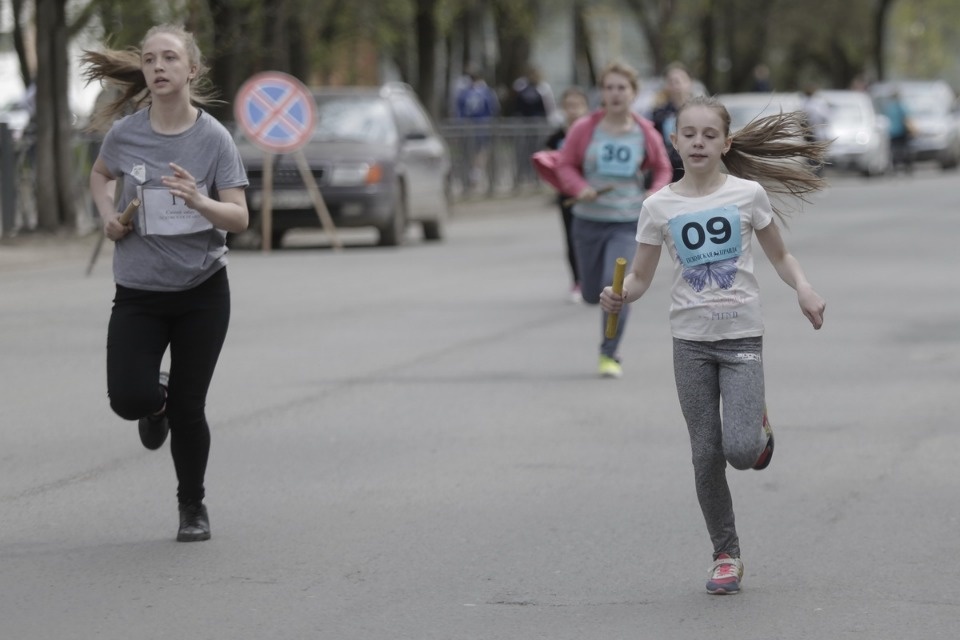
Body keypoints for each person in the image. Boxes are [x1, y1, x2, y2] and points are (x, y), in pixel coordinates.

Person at [599, 96, 827, 594]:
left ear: (725, 144)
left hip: (741, 335)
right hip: (691, 343)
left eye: (708, 134)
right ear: (674, 141)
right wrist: (620, 296)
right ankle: (726, 554)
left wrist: (803, 287)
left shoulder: (748, 195)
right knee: (706, 455)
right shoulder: (658, 206)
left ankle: (758, 430)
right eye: (689, 133)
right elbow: (639, 277)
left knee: (741, 450)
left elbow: (781, 256)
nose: (698, 142)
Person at [82, 24, 249, 543]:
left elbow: (239, 217)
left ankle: (192, 506)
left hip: (202, 292)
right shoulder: (127, 132)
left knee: (190, 407)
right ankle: (154, 407)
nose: (158, 66)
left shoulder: (213, 138)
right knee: (128, 398)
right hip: (139, 291)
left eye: (170, 58)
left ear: (191, 70)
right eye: (150, 59)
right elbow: (100, 175)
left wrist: (200, 202)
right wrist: (109, 216)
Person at [553, 60, 673, 378]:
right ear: (602, 93)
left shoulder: (645, 132)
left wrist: (654, 192)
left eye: (622, 88)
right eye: (609, 88)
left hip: (626, 221)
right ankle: (595, 300)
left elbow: (662, 168)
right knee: (594, 292)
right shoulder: (584, 129)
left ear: (633, 93)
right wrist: (580, 188)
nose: (615, 94)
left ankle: (609, 353)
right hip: (587, 222)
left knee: (616, 287)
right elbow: (564, 165)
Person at [543, 86, 590, 302]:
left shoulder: (594, 134)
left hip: (592, 194)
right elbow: (546, 161)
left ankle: (594, 277)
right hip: (567, 196)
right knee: (572, 238)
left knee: (592, 238)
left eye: (577, 106)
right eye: (569, 106)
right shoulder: (557, 137)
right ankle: (578, 280)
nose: (573, 111)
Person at [454, 64, 500, 191]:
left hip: (467, 126)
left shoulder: (464, 92)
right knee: (481, 152)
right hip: (482, 126)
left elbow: (459, 110)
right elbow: (493, 109)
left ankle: (470, 175)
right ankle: (475, 175)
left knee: (469, 152)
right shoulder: (487, 92)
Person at [651, 62, 696, 183]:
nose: (676, 85)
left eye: (680, 80)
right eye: (671, 81)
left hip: (696, 167)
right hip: (670, 170)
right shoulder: (659, 114)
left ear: (689, 82)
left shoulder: (702, 110)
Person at [880, 89, 914, 174]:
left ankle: (895, 167)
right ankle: (907, 166)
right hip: (901, 131)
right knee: (904, 149)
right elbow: (906, 117)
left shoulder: (889, 107)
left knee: (894, 150)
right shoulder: (900, 106)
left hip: (892, 132)